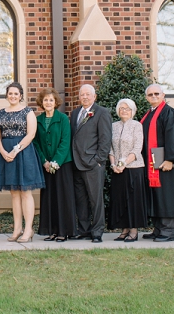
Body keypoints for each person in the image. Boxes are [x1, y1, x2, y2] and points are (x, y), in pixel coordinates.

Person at [140, 83, 174, 242]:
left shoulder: (169, 113)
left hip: (166, 164)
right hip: (153, 162)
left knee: (167, 196)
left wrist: (170, 160)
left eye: (157, 94)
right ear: (146, 97)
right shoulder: (149, 114)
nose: (154, 97)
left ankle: (168, 232)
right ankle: (158, 229)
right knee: (156, 196)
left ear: (163, 95)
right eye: (150, 95)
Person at [0, 81, 43, 244]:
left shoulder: (28, 111)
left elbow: (31, 134)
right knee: (14, 193)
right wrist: (3, 152)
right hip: (6, 152)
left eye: (16, 93)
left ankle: (28, 229)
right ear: (7, 95)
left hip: (23, 153)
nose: (13, 96)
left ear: (21, 95)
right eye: (10, 93)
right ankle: (17, 228)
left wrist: (15, 151)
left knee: (25, 191)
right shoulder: (1, 113)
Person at [69, 83, 112, 242]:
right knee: (81, 199)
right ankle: (84, 230)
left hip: (93, 164)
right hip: (76, 164)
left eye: (88, 94)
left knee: (96, 200)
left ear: (94, 97)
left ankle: (97, 231)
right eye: (82, 95)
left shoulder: (102, 113)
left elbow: (105, 139)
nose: (85, 97)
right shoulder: (75, 113)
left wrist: (98, 161)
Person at [34, 87, 74, 241]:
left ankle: (63, 232)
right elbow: (36, 143)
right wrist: (44, 161)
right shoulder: (38, 120)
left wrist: (55, 162)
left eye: (51, 100)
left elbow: (65, 142)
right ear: (41, 103)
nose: (48, 102)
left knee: (62, 197)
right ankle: (52, 230)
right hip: (46, 165)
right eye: (45, 100)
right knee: (49, 198)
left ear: (56, 102)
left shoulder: (63, 118)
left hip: (63, 164)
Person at [108, 97, 146, 242]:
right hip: (117, 169)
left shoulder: (137, 126)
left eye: (127, 109)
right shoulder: (113, 126)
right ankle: (124, 229)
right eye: (122, 108)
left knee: (133, 200)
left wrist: (124, 162)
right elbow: (110, 148)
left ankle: (134, 231)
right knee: (121, 199)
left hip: (133, 168)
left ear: (132, 111)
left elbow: (137, 148)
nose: (124, 111)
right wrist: (113, 164)